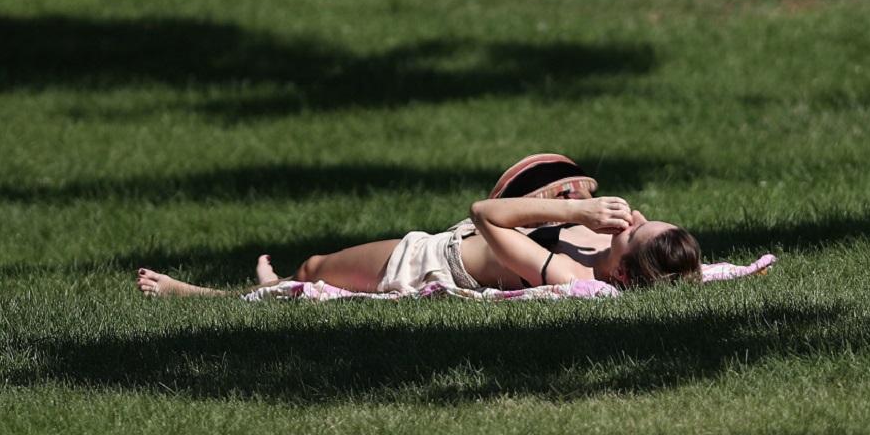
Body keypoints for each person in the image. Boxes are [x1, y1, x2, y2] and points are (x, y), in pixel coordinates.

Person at [135, 156, 702, 298]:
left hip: (429, 260)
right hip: (455, 241)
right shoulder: (606, 249)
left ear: (622, 270)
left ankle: (207, 293)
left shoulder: (563, 270)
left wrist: (574, 213)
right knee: (311, 273)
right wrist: (573, 198)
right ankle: (272, 287)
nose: (632, 220)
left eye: (634, 231)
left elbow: (486, 213)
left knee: (313, 272)